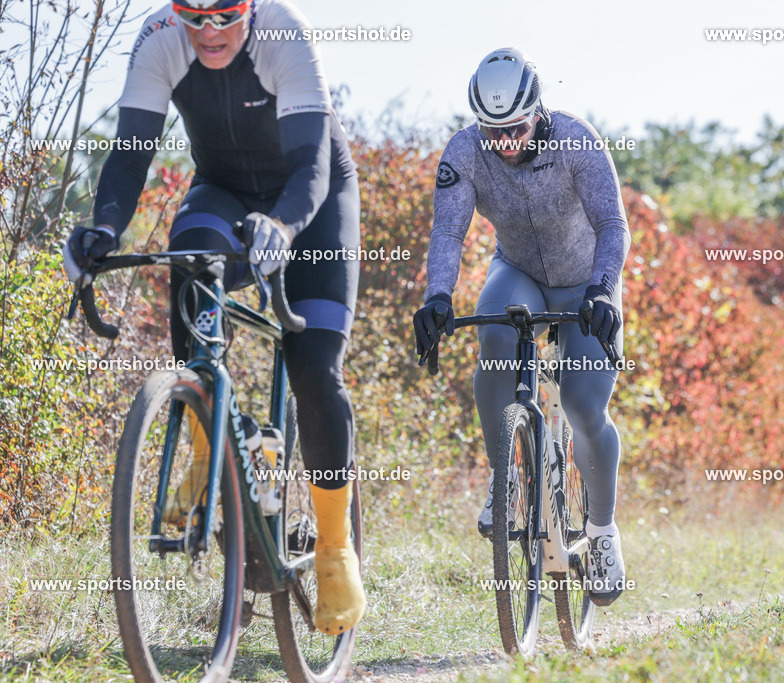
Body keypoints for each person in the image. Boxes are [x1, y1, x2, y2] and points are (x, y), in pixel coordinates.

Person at [61, 0, 364, 634]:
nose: (209, 32)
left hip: (313, 200)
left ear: (249, 8)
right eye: (193, 17)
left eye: (224, 16)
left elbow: (310, 165)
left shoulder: (286, 35)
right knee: (191, 265)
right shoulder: (159, 37)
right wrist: (103, 230)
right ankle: (207, 447)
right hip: (223, 191)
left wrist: (282, 226)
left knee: (313, 370)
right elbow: (128, 154)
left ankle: (336, 548)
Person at [412, 47, 631, 605]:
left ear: (538, 110)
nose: (504, 141)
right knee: (494, 334)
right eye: (493, 129)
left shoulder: (577, 141)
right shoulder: (465, 152)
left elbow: (613, 223)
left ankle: (602, 531)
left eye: (514, 127)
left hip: (587, 282)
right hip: (520, 272)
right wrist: (437, 296)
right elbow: (448, 235)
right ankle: (504, 476)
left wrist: (605, 289)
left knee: (585, 407)